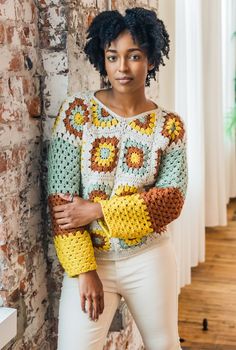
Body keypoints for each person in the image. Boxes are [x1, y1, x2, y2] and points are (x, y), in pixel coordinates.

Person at [48, 7, 187, 350]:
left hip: (149, 258)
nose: (122, 68)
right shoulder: (76, 114)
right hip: (91, 261)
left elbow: (170, 201)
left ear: (151, 59)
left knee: (165, 345)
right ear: (103, 60)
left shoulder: (169, 126)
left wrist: (97, 211)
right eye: (113, 57)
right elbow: (61, 206)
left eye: (134, 56)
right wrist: (85, 270)